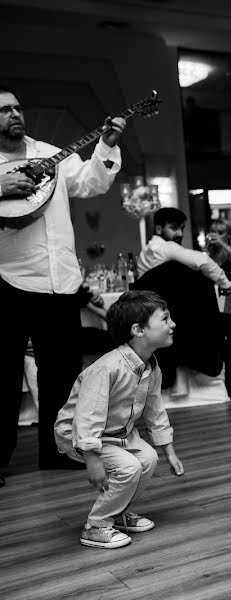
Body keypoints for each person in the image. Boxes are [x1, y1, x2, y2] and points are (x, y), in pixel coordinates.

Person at [0, 85, 126, 485]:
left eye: (18, 107)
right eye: (4, 110)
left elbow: (92, 183)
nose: (14, 114)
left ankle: (57, 452)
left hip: (61, 281)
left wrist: (105, 145)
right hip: (9, 279)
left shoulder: (49, 153)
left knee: (62, 372)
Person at [54, 290, 185, 548]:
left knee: (147, 459)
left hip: (118, 435)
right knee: (128, 468)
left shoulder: (151, 366)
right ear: (138, 330)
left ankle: (119, 513)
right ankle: (96, 525)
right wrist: (92, 459)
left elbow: (155, 410)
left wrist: (168, 451)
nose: (173, 324)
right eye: (166, 319)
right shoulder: (107, 368)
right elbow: (87, 416)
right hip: (82, 435)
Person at [136, 207, 231, 393]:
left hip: (159, 323)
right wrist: (225, 284)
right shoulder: (167, 248)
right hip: (188, 326)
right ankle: (227, 381)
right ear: (158, 230)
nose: (179, 233)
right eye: (174, 228)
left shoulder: (143, 256)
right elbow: (203, 262)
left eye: (182, 228)